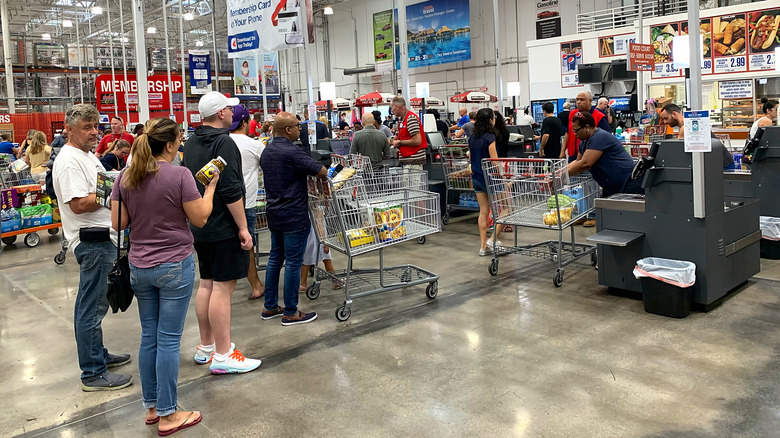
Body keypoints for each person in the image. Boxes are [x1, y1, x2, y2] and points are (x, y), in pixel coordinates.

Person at [110, 117, 214, 435]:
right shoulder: (180, 175)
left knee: (149, 337)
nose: (181, 144)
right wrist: (210, 188)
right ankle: (169, 415)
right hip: (173, 266)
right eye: (179, 139)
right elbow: (200, 218)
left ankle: (153, 407)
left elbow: (118, 223)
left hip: (139, 267)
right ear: (169, 145)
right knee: (168, 340)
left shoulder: (125, 176)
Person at [52, 104, 132, 391]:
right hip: (92, 241)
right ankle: (93, 372)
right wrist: (113, 191)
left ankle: (98, 354)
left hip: (103, 237)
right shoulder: (69, 161)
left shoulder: (87, 157)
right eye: (87, 127)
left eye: (96, 126)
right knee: (92, 307)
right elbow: (78, 204)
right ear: (69, 130)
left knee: (94, 302)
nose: (94, 132)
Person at [184, 91, 261, 374]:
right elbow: (230, 190)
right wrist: (243, 227)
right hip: (223, 225)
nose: (232, 113)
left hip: (200, 223)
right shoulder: (224, 142)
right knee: (223, 288)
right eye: (229, 109)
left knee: (206, 283)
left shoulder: (191, 142)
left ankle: (207, 346)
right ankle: (224, 353)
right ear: (220, 114)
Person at [260, 112, 327, 326]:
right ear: (288, 130)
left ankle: (270, 306)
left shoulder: (267, 151)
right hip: (294, 214)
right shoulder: (293, 152)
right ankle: (290, 311)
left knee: (275, 259)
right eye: (298, 126)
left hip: (274, 212)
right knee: (293, 262)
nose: (301, 129)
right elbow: (321, 171)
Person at [229, 105, 267, 301]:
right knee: (247, 245)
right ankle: (256, 285)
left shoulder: (222, 142)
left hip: (225, 202)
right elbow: (269, 167)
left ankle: (225, 286)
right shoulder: (254, 145)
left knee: (228, 246)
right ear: (245, 123)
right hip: (246, 203)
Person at [567, 111, 642, 200]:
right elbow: (578, 161)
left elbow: (585, 163)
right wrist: (559, 173)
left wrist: (563, 176)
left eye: (576, 130)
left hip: (628, 183)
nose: (574, 134)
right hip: (614, 187)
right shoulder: (584, 142)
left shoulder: (599, 137)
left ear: (587, 127)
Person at [469, 108, 502, 256]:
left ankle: (483, 246)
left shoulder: (472, 137)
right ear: (490, 120)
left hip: (476, 176)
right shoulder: (490, 138)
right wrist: (504, 177)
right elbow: (494, 161)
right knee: (507, 209)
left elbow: (471, 158)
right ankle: (492, 239)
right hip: (490, 178)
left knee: (483, 211)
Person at [660, 103, 734, 169]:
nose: (665, 122)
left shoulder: (686, 127)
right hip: (719, 161)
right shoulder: (688, 124)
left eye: (666, 118)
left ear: (674, 114)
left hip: (722, 163)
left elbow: (679, 150)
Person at [561, 91, 611, 162]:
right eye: (577, 99)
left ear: (590, 101)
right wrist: (563, 151)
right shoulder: (572, 114)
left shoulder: (599, 116)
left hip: (591, 155)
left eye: (582, 100)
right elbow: (568, 132)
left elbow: (606, 138)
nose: (578, 102)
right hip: (573, 154)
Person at [390, 96, 428, 169]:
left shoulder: (410, 118)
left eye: (392, 108)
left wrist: (400, 143)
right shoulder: (402, 120)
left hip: (413, 162)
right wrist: (390, 141)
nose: (391, 111)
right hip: (407, 161)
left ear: (398, 107)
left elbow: (417, 141)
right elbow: (398, 136)